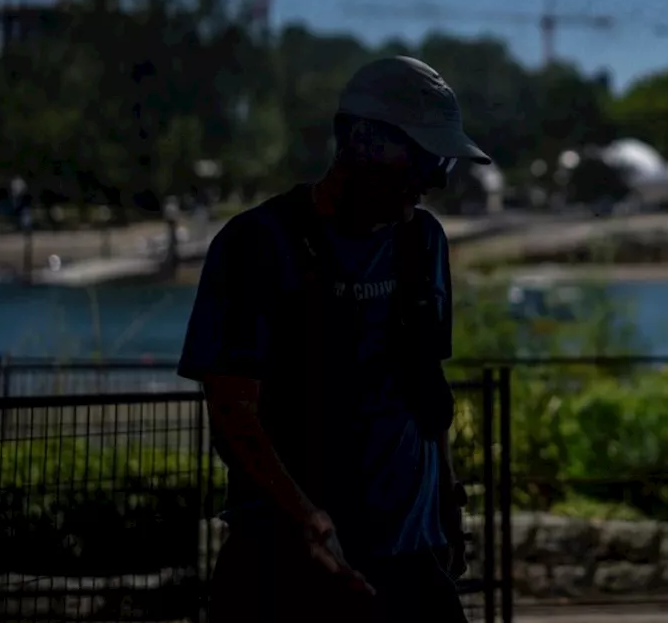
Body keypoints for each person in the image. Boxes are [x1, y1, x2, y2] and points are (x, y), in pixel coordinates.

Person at [177, 56, 491, 622]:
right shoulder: (257, 246)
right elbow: (231, 411)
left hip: (412, 563)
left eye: (444, 160)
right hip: (283, 565)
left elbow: (426, 390)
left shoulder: (424, 244)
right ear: (363, 140)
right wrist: (306, 520)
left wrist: (446, 503)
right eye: (425, 155)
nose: (437, 178)